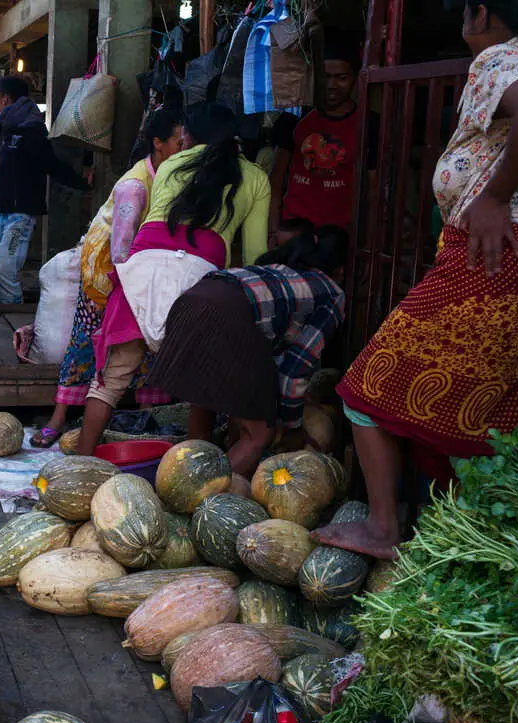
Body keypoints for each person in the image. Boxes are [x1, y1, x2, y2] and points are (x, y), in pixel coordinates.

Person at [317, 0, 518, 559]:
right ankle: (474, 546)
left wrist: (494, 197)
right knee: (500, 419)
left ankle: (384, 527)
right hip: (506, 260)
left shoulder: (502, 58)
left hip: (494, 260)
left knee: (365, 391)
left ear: (480, 13)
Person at [74, 104, 271, 455]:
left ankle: (79, 464)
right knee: (201, 386)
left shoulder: (173, 164)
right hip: (202, 279)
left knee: (109, 381)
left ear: (188, 138)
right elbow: (255, 255)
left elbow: (155, 219)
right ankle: (192, 473)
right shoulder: (256, 178)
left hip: (142, 266)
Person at [30, 108, 185, 448]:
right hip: (106, 274)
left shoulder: (172, 178)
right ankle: (59, 417)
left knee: (147, 346)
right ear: (159, 144)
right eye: (180, 142)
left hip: (139, 274)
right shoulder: (135, 187)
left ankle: (148, 422)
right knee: (86, 341)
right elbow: (119, 251)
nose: (185, 148)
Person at [146, 227, 347, 477]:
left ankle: (186, 477)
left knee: (204, 397)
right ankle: (200, 501)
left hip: (191, 300)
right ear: (340, 269)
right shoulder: (332, 292)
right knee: (259, 434)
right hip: (227, 313)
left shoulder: (281, 269)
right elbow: (296, 366)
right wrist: (293, 425)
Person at [0, 75, 92, 303]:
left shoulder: (32, 130)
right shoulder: (2, 126)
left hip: (20, 214)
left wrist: (83, 183)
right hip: (0, 210)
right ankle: (2, 311)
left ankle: (12, 319)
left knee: (4, 270)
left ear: (4, 98)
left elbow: (51, 165)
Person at [268, 41, 367, 239]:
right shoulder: (294, 117)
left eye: (341, 78)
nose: (332, 85)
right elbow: (276, 181)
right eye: (325, 77)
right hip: (293, 232)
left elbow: (372, 189)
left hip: (338, 238)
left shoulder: (367, 123)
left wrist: (367, 241)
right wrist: (272, 231)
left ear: (355, 79)